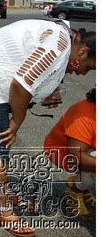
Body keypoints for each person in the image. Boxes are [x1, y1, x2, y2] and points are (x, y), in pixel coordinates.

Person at [0, 20, 96, 237]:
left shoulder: (65, 37)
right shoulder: (57, 48)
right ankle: (2, 210)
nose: (85, 74)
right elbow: (21, 84)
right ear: (84, 51)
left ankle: (5, 194)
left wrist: (49, 90)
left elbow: (33, 70)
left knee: (1, 143)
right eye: (89, 67)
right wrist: (17, 121)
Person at [44, 87, 96, 219]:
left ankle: (83, 183)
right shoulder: (83, 113)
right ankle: (75, 189)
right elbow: (77, 156)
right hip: (65, 152)